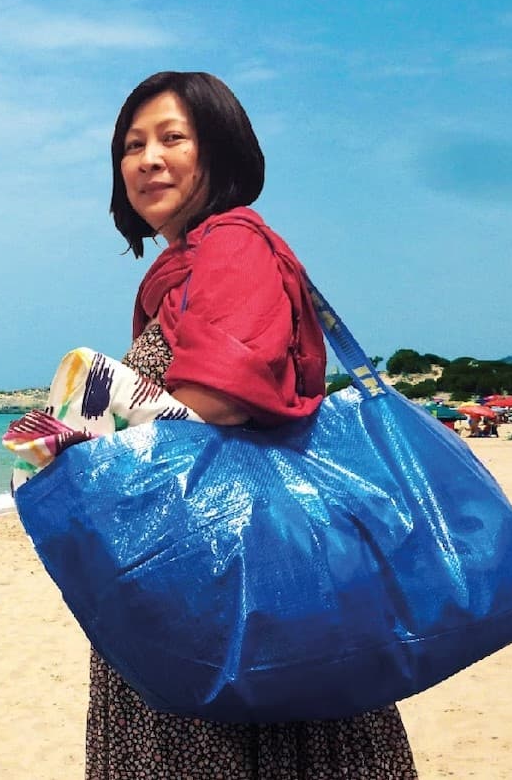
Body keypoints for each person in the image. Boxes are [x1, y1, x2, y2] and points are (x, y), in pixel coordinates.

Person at [84, 71, 418, 779]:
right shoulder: (181, 270)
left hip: (234, 577)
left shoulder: (233, 243)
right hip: (203, 567)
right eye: (132, 143)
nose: (148, 158)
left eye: (173, 137)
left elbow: (217, 398)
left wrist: (83, 440)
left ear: (221, 149)